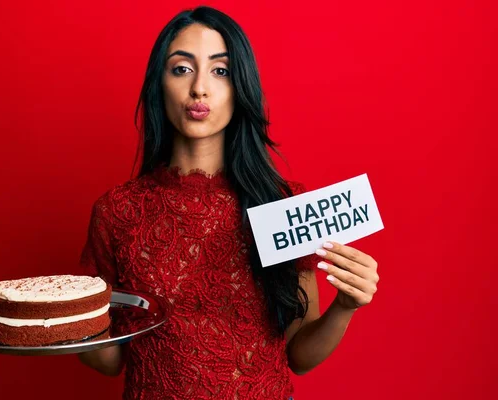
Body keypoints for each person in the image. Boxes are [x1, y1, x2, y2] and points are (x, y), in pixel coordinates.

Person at [77, 6, 380, 400]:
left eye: (220, 71)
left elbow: (299, 356)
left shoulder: (283, 205)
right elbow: (110, 361)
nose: (199, 88)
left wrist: (345, 306)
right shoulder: (116, 212)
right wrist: (63, 327)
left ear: (241, 87)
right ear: (159, 83)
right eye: (181, 69)